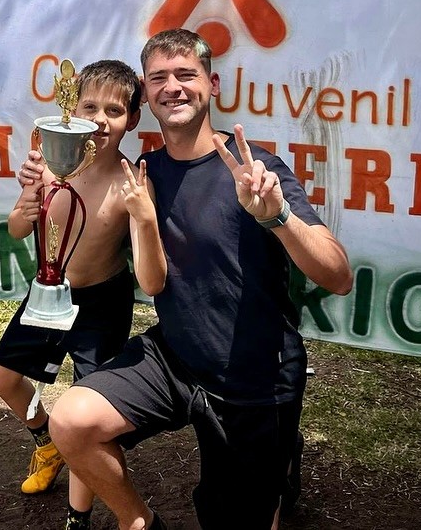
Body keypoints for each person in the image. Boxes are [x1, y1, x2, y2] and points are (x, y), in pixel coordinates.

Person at [47, 29, 354, 530]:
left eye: (186, 74)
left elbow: (338, 276)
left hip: (254, 376)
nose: (173, 86)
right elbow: (101, 233)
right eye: (159, 77)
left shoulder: (257, 170)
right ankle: (139, 523)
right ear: (146, 94)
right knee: (72, 421)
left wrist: (276, 218)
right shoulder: (144, 173)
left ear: (210, 84)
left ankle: (278, 470)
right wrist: (47, 175)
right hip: (174, 356)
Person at [0, 59, 166, 530]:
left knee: (84, 414)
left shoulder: (130, 181)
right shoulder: (47, 163)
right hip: (48, 293)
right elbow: (17, 228)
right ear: (71, 109)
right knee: (1, 378)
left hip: (103, 304)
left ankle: (77, 517)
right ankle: (47, 441)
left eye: (114, 109)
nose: (101, 118)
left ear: (134, 118)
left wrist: (143, 216)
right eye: (90, 105)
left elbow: (148, 256)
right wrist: (26, 206)